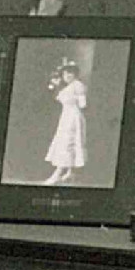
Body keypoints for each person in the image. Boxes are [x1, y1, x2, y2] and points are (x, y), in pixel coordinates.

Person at [38, 52, 98, 187]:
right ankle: (70, 172)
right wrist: (54, 85)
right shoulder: (67, 87)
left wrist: (78, 100)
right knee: (63, 141)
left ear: (75, 74)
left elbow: (83, 104)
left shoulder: (78, 85)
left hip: (74, 118)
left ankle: (58, 174)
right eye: (65, 74)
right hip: (66, 117)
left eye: (70, 73)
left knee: (68, 142)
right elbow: (57, 97)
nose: (67, 76)